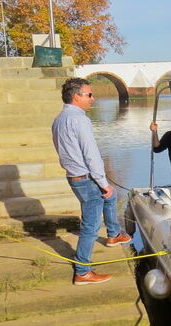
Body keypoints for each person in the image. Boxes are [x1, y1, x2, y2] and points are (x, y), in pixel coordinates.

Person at [51, 78, 131, 285]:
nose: (93, 99)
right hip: (85, 177)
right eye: (89, 95)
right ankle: (83, 271)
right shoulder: (80, 120)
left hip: (74, 176)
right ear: (76, 96)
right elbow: (91, 154)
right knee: (91, 225)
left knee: (110, 198)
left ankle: (113, 234)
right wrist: (102, 182)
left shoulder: (59, 119)